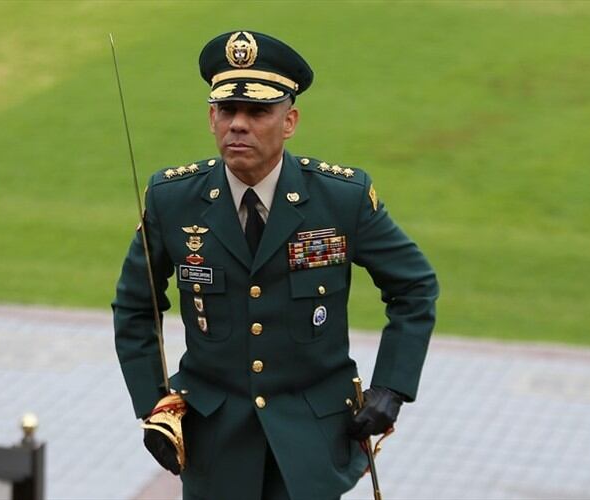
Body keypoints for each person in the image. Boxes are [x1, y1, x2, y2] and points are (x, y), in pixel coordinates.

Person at [113, 31, 439, 500]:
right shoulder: (173, 200)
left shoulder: (340, 200)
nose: (238, 125)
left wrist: (391, 387)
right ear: (211, 118)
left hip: (311, 444)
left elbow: (415, 287)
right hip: (214, 443)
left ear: (289, 121)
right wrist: (155, 407)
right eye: (227, 111)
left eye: (258, 112)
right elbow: (134, 306)